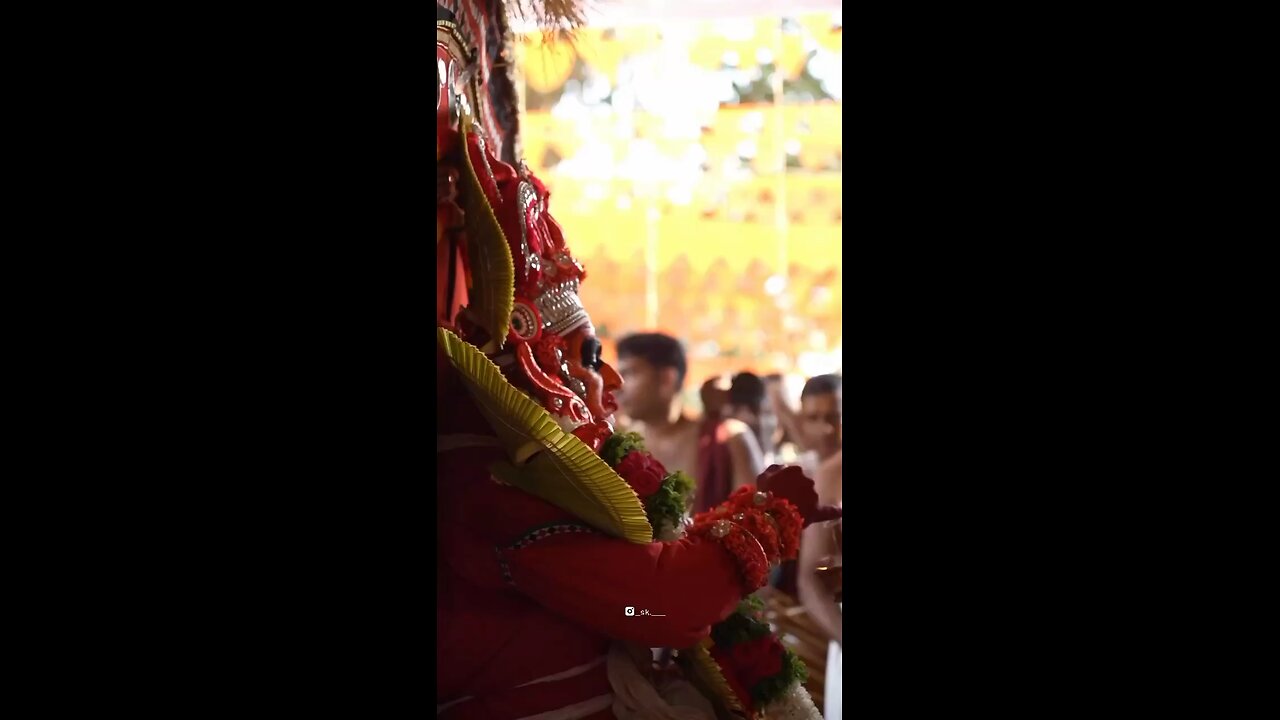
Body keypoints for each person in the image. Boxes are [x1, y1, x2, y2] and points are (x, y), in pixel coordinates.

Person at [436, 5, 834, 717]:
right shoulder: (489, 479)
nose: (611, 380)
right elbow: (667, 608)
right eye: (590, 355)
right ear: (535, 356)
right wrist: (770, 511)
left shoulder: (533, 467)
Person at [615, 334, 764, 511]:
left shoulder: (727, 439)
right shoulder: (619, 446)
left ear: (666, 379)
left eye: (630, 373)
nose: (618, 385)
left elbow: (754, 523)